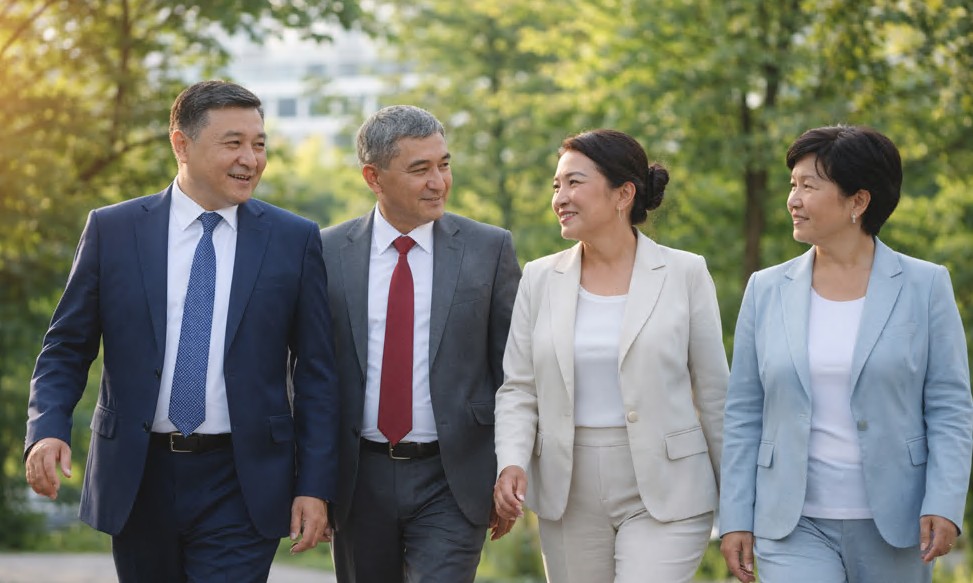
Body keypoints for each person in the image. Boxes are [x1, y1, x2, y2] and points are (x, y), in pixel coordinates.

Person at [24, 80, 339, 582]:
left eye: (259, 144)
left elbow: (318, 373)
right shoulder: (113, 230)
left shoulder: (293, 239)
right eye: (233, 143)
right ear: (181, 144)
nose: (251, 159)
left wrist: (315, 485)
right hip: (138, 474)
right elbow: (66, 346)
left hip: (244, 479)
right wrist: (46, 429)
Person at [719, 125, 973, 583]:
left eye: (809, 186)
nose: (793, 200)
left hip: (897, 522)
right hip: (792, 525)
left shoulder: (926, 285)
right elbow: (743, 413)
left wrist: (944, 501)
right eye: (792, 185)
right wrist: (736, 515)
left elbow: (950, 408)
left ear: (858, 201)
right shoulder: (766, 289)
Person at [494, 129, 729, 583]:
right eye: (556, 185)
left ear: (624, 194)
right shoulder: (539, 279)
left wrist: (738, 509)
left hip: (669, 490)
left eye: (574, 182)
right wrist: (511, 461)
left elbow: (715, 397)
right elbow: (519, 389)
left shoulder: (685, 272)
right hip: (568, 493)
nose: (560, 197)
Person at [320, 104, 521, 583]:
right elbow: (305, 373)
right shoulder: (326, 252)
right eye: (420, 169)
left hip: (454, 479)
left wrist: (509, 464)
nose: (438, 182)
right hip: (357, 479)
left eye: (444, 165)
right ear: (374, 177)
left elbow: (513, 371)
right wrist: (309, 481)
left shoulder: (489, 249)